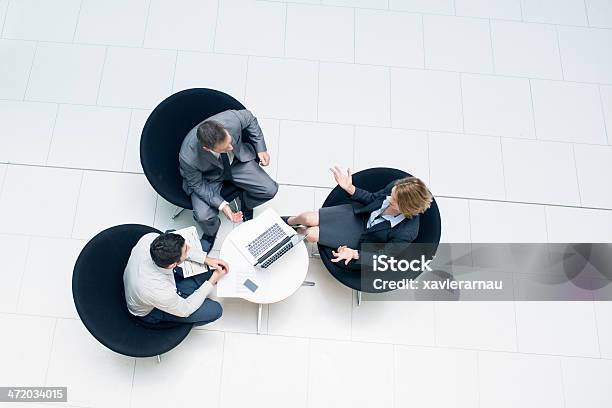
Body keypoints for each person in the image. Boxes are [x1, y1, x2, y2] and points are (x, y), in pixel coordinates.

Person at [284, 167, 433, 270]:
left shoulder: (406, 233)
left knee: (310, 234)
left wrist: (354, 254)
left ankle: (291, 234)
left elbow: (384, 257)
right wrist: (350, 188)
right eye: (392, 193)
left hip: (364, 239)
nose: (388, 198)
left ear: (404, 209)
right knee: (308, 217)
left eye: (393, 200)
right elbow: (373, 199)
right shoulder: (395, 188)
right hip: (358, 217)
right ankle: (286, 222)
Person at [179, 109, 278, 249]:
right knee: (203, 216)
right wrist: (223, 206)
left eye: (230, 142)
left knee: (270, 189)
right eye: (225, 148)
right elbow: (196, 184)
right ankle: (210, 233)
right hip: (208, 176)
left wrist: (261, 148)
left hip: (237, 162)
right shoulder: (188, 157)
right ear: (207, 149)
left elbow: (250, 119)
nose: (231, 147)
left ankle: (246, 202)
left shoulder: (232, 119)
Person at [123, 231, 229, 326]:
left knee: (207, 274)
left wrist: (206, 259)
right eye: (186, 249)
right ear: (172, 265)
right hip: (151, 310)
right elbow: (186, 309)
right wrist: (213, 280)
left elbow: (179, 249)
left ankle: (188, 290)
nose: (189, 247)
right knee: (215, 310)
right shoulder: (160, 292)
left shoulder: (150, 238)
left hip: (153, 286)